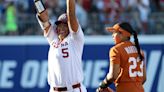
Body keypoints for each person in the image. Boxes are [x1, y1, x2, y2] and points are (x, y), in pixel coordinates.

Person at [34, 0, 87, 92]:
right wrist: (37, 2)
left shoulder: (75, 39)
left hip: (73, 89)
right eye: (59, 25)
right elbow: (44, 18)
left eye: (65, 26)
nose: (61, 28)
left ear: (69, 27)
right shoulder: (53, 38)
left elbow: (71, 14)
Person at [96, 22, 146, 92]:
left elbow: (113, 75)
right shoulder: (139, 50)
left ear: (122, 34)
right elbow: (143, 78)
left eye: (114, 32)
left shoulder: (116, 49)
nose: (112, 35)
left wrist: (102, 85)